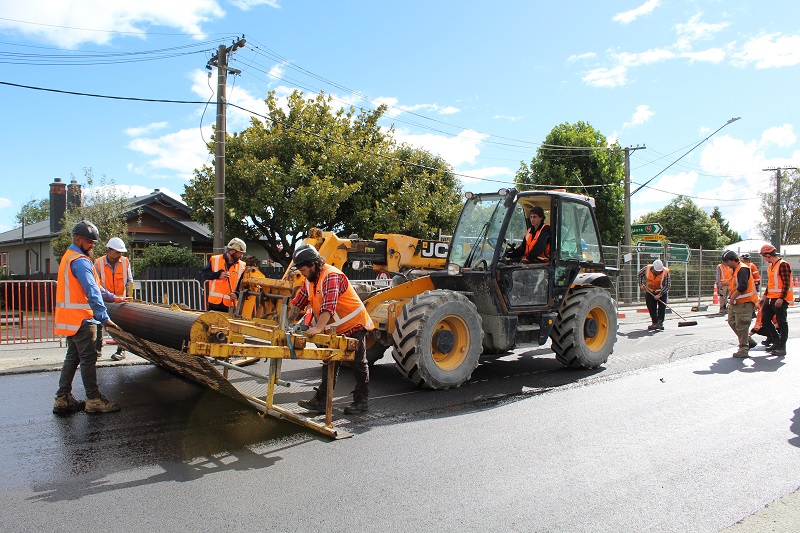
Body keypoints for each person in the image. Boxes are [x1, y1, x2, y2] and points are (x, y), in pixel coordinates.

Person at [290, 244, 375, 415]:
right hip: (335, 329)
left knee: (358, 363)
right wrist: (285, 324)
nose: (302, 273)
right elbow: (297, 304)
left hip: (354, 324)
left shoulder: (331, 276)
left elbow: (329, 306)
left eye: (304, 269)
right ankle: (321, 401)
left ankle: (361, 402)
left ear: (313, 264)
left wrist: (318, 327)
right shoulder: (309, 280)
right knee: (329, 361)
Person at [53, 220, 126, 414]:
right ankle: (93, 400)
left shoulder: (69, 258)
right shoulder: (81, 261)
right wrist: (103, 317)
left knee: (72, 357)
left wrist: (113, 297)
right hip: (82, 319)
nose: (92, 246)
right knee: (88, 358)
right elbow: (92, 291)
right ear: (78, 239)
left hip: (71, 320)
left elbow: (96, 286)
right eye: (89, 242)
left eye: (93, 242)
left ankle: (63, 398)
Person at [94, 237, 133, 361]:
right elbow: (96, 283)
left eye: (121, 252)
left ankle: (121, 350)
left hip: (120, 300)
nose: (119, 255)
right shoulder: (98, 263)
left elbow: (129, 281)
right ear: (109, 250)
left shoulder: (125, 262)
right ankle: (97, 350)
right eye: (117, 252)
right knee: (99, 323)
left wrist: (128, 296)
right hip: (104, 300)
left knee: (121, 325)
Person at [757, 244, 792, 357]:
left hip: (779, 299)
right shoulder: (771, 266)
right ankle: (776, 341)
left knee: (782, 322)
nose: (764, 258)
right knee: (765, 319)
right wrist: (764, 297)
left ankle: (782, 347)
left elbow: (786, 283)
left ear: (768, 255)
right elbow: (770, 284)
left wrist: (781, 298)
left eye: (764, 256)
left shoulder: (783, 265)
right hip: (770, 298)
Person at [721, 251, 758, 358]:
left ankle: (743, 349)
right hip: (737, 302)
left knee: (742, 326)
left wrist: (732, 298)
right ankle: (748, 341)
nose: (726, 265)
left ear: (733, 260)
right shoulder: (735, 269)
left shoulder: (743, 269)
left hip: (744, 302)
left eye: (727, 262)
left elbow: (742, 287)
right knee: (732, 321)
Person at [201, 238, 247, 312]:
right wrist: (218, 275)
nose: (241, 255)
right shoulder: (215, 259)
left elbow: (242, 285)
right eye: (240, 253)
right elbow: (205, 274)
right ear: (232, 251)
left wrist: (237, 294)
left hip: (230, 305)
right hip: (214, 304)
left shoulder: (242, 265)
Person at [638, 259, 670, 331]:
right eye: (656, 271)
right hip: (650, 291)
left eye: (659, 271)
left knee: (662, 307)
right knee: (651, 307)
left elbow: (667, 285)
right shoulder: (647, 269)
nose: (658, 272)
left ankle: (660, 322)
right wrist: (641, 284)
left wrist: (660, 294)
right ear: (653, 268)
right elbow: (639, 275)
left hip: (661, 291)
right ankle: (654, 322)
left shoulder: (665, 272)